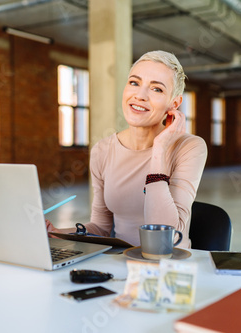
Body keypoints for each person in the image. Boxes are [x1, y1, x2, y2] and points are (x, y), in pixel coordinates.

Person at [47, 50, 207, 248]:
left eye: (156, 89)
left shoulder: (190, 147)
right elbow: (101, 228)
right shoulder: (103, 150)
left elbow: (166, 237)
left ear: (174, 104)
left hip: (169, 267)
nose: (140, 95)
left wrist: (159, 150)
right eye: (134, 82)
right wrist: (57, 233)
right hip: (119, 266)